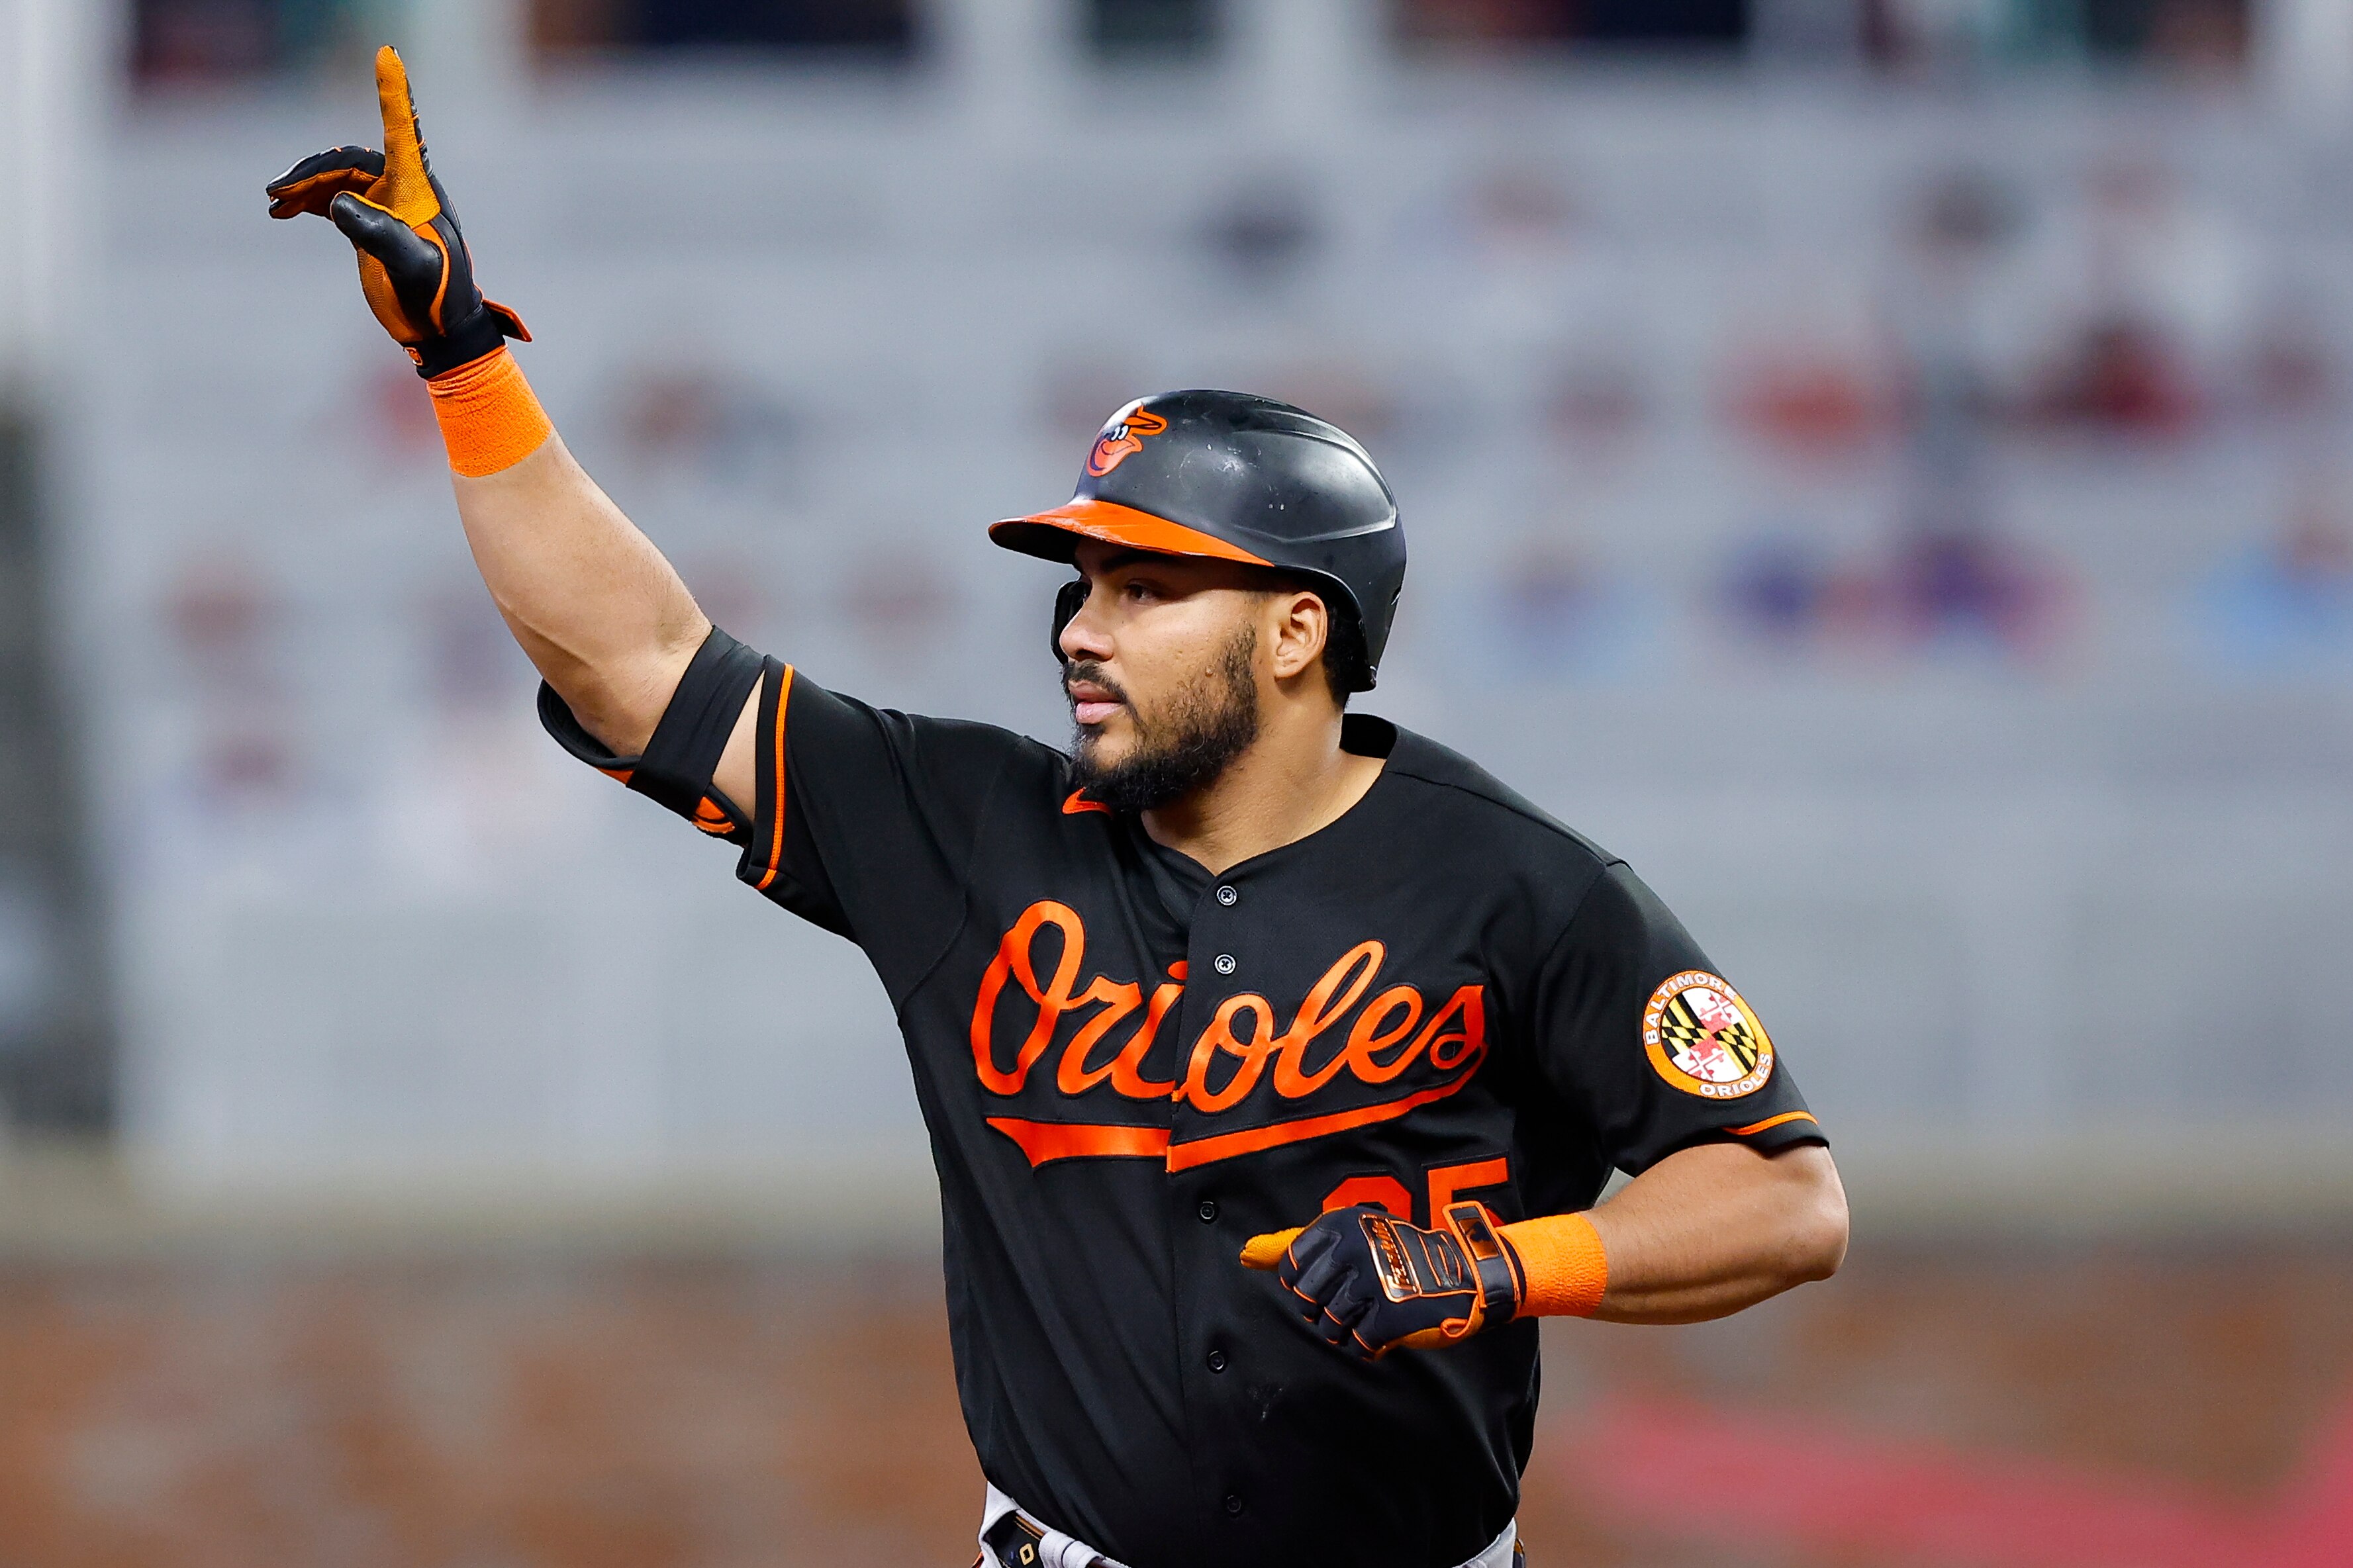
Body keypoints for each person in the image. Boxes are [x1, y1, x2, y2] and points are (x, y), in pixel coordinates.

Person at [268, 50, 1849, 1568]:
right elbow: (638, 666)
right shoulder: (964, 824)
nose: (1081, 626)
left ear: (1298, 632)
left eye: (1146, 587)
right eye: (1082, 581)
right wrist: (465, 365)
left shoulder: (1519, 886)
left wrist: (1509, 1262)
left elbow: (1782, 1196)